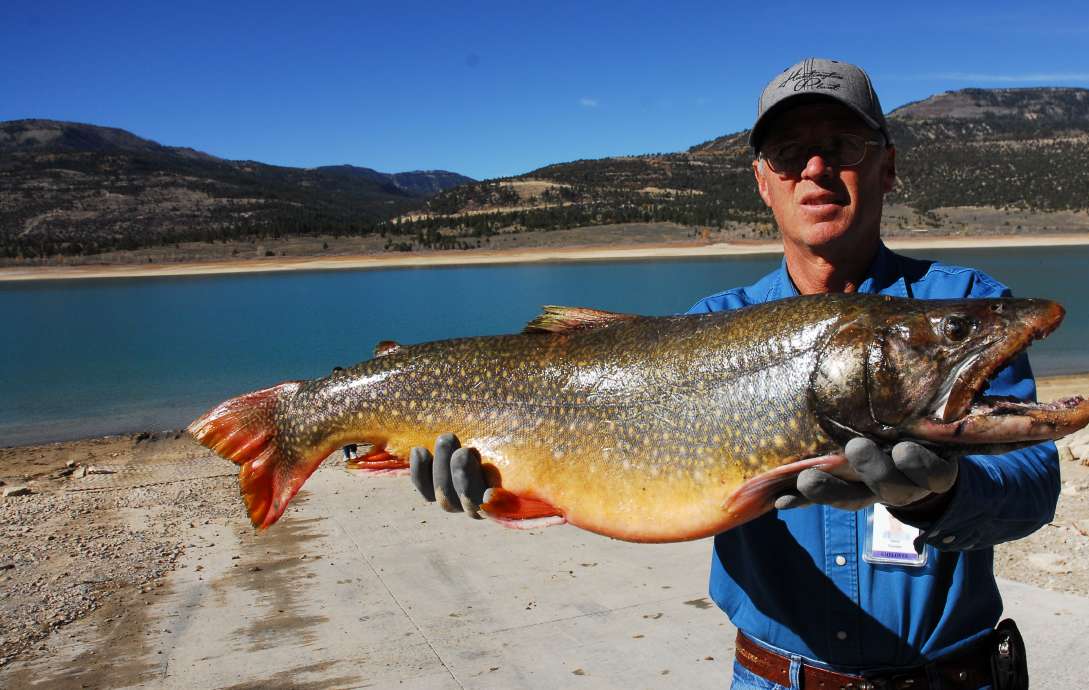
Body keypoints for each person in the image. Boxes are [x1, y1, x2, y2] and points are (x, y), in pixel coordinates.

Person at [409, 58, 1050, 689]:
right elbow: (613, 473)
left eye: (842, 146)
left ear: (887, 167)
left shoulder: (960, 304)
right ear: (762, 182)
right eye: (789, 153)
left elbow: (1032, 485)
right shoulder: (711, 328)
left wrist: (944, 494)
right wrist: (496, 481)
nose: (816, 169)